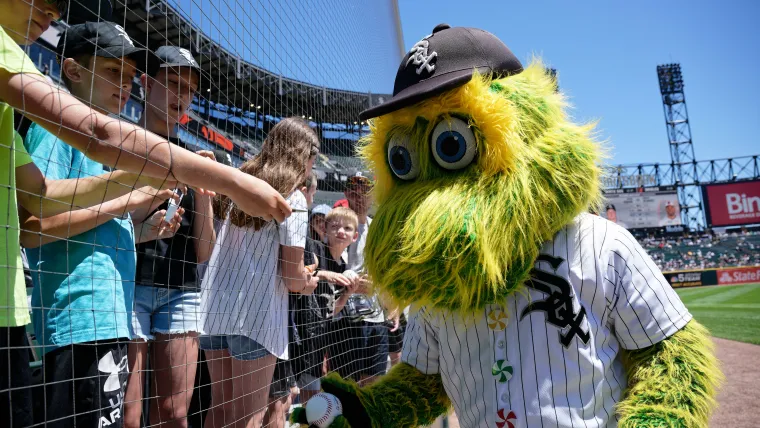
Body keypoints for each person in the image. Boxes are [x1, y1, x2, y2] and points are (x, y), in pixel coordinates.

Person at [20, 22, 184, 427]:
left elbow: (89, 231)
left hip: (103, 319)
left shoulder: (99, 139)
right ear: (74, 70)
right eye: (113, 71)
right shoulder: (57, 127)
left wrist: (143, 230)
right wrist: (129, 202)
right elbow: (33, 226)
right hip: (76, 321)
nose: (125, 85)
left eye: (129, 77)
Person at [0, 0, 292, 224]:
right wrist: (233, 181)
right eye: (113, 70)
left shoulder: (16, 60)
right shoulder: (48, 122)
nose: (55, 13)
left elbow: (42, 196)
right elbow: (99, 135)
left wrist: (151, 179)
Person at [199, 117, 320, 428]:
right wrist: (310, 283)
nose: (311, 167)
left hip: (215, 309)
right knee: (248, 419)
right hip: (256, 316)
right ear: (303, 155)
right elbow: (293, 278)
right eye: (312, 158)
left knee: (220, 411)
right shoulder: (292, 197)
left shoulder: (240, 182)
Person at [125, 46, 216, 428]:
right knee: (128, 415)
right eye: (173, 83)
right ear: (146, 84)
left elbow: (204, 252)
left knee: (175, 413)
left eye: (189, 89)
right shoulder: (122, 139)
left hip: (181, 290)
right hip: (128, 284)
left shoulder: (194, 157)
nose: (181, 96)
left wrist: (205, 194)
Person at [329, 174, 389, 386]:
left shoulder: (377, 230)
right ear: (346, 194)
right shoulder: (340, 228)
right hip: (346, 318)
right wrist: (349, 286)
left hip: (376, 316)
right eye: (354, 192)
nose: (360, 198)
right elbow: (329, 265)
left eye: (365, 193)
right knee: (346, 384)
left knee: (374, 382)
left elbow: (386, 270)